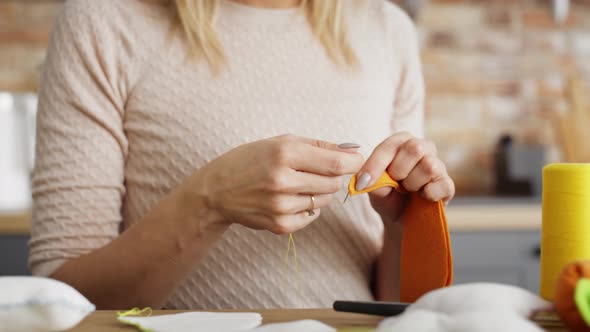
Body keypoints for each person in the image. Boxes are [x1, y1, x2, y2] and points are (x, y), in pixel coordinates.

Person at [29, 0, 455, 310]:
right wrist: (209, 200)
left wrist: (403, 227)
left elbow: (395, 305)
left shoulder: (386, 27)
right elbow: (64, 301)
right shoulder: (101, 23)